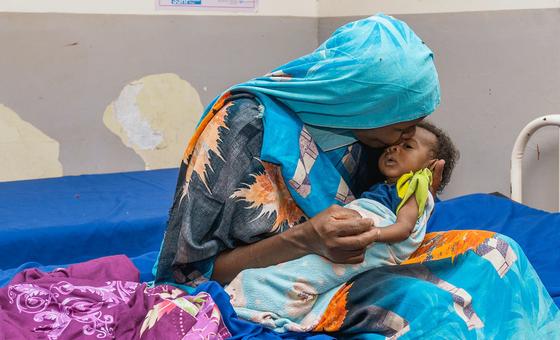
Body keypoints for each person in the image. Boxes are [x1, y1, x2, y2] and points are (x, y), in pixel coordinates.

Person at [156, 14, 559, 337]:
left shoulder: (362, 137)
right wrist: (306, 238)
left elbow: (382, 212)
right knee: (434, 308)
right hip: (282, 281)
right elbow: (190, 274)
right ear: (366, 105)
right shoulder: (243, 128)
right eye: (403, 127)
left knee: (496, 250)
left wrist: (420, 193)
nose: (405, 138)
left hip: (360, 261)